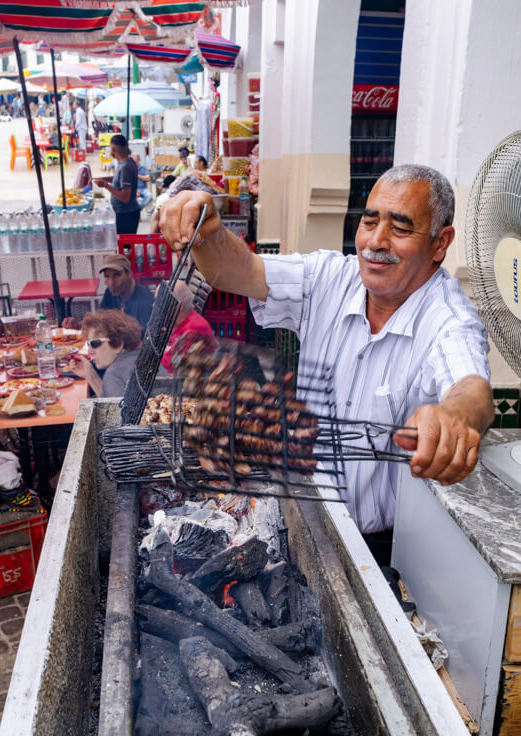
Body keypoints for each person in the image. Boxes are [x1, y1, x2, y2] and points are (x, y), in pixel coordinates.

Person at [158, 164, 495, 564]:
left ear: (440, 244)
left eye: (401, 228)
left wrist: (454, 416)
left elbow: (472, 389)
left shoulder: (448, 319)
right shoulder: (331, 277)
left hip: (385, 549)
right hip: (305, 512)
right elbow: (240, 271)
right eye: (370, 221)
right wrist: (209, 230)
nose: (376, 241)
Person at [61, 254, 154, 334]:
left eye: (116, 275)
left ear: (129, 274)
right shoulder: (110, 293)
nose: (111, 282)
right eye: (107, 276)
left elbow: (144, 340)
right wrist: (78, 326)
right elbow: (99, 322)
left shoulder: (145, 300)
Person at [68, 309, 141, 397]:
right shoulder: (139, 358)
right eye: (88, 344)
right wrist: (89, 374)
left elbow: (111, 410)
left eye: (95, 343)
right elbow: (108, 401)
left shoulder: (114, 374)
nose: (89, 351)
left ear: (118, 344)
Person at [161, 281, 215, 373]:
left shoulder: (193, 329)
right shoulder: (175, 323)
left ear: (179, 306)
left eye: (161, 302)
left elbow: (173, 368)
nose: (154, 305)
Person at [95, 134, 140, 235]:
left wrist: (106, 185)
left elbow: (125, 197)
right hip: (124, 213)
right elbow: (117, 180)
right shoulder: (125, 162)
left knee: (126, 248)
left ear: (113, 149)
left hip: (127, 215)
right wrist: (101, 180)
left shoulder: (125, 167)